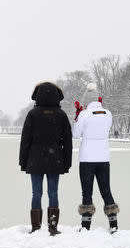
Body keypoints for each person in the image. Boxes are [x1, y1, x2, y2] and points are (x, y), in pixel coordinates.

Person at [19, 82, 72, 236]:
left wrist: (23, 162)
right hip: (55, 158)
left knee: (36, 193)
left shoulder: (32, 114)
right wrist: (66, 163)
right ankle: (53, 227)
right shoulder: (61, 115)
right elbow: (67, 142)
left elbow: (25, 140)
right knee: (53, 193)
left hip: (35, 159)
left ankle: (36, 227)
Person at [72, 83, 120, 234]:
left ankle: (86, 225)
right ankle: (113, 224)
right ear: (99, 100)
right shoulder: (108, 114)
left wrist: (77, 117)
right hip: (103, 157)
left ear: (86, 100)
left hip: (87, 158)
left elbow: (75, 134)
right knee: (106, 190)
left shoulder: (84, 115)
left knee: (87, 192)